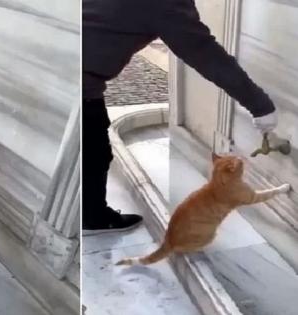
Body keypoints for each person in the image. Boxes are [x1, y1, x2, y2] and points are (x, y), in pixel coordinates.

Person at [82, 0, 278, 235]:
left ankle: (92, 215)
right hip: (82, 83)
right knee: (95, 151)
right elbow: (205, 54)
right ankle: (94, 218)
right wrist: (261, 106)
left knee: (94, 149)